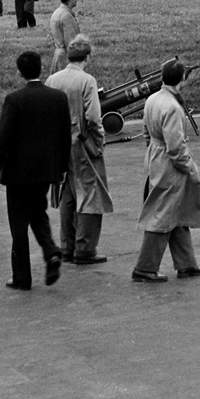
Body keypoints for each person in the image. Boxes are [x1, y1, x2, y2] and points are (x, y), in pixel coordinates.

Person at [0, 51, 71, 290]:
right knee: (38, 212)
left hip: (17, 172)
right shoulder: (58, 98)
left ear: (19, 72)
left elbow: (4, 137)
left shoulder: (14, 99)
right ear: (41, 69)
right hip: (46, 170)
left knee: (19, 224)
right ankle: (51, 251)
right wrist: (62, 168)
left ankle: (22, 276)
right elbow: (65, 137)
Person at [133, 59, 200, 283]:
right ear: (182, 79)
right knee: (163, 213)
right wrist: (190, 168)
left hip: (155, 157)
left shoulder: (152, 99)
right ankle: (145, 267)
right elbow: (176, 146)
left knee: (176, 210)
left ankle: (186, 264)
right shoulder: (173, 107)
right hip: (170, 164)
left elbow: (147, 133)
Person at [46, 33, 112, 264]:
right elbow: (94, 116)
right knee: (89, 193)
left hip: (59, 143)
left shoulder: (52, 79)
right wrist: (99, 141)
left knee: (67, 193)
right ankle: (85, 248)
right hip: (82, 143)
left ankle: (66, 245)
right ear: (88, 56)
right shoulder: (87, 81)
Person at [49, 0, 80, 76]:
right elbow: (71, 42)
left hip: (58, 54)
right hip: (65, 57)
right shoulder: (66, 16)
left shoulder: (57, 12)